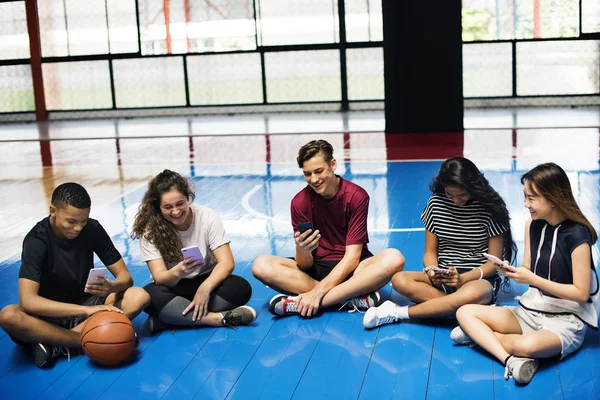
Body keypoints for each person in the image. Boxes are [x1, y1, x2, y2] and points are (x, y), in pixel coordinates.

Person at [452, 163, 598, 384]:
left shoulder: (578, 235)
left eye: (531, 198)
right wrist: (511, 271)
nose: (525, 204)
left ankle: (481, 337)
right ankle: (510, 359)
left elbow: (580, 293)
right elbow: (528, 270)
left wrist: (531, 279)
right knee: (464, 312)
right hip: (532, 310)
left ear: (553, 199)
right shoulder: (532, 225)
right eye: (525, 197)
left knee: (526, 345)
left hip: (567, 319)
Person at [0, 183, 150, 368]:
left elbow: (126, 278)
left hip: (88, 303)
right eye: (71, 221)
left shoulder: (93, 229)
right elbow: (28, 302)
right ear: (53, 210)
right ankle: (87, 340)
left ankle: (56, 345)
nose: (78, 228)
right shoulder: (36, 241)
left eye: (83, 221)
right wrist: (86, 312)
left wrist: (112, 287)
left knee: (139, 296)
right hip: (50, 314)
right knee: (9, 316)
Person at [252, 139, 405, 317]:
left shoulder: (356, 196)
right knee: (260, 265)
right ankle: (349, 298)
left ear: (333, 164)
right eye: (307, 174)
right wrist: (302, 249)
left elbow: (352, 257)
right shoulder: (299, 202)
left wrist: (317, 293)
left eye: (319, 171)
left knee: (394, 258)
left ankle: (300, 302)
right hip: (316, 269)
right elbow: (304, 264)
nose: (314, 179)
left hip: (353, 270)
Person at [363, 157, 517, 328]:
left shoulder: (491, 209)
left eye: (462, 195)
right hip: (444, 276)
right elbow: (430, 253)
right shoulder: (435, 204)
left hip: (477, 279)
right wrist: (432, 271)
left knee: (471, 294)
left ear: (474, 186)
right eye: (450, 194)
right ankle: (469, 314)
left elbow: (493, 264)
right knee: (399, 280)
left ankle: (397, 312)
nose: (456, 201)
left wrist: (463, 278)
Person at [131, 169, 255, 333]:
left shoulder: (206, 216)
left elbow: (226, 262)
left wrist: (205, 288)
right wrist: (178, 272)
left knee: (241, 287)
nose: (176, 212)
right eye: (168, 207)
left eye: (180, 203)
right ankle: (217, 319)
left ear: (188, 198)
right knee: (149, 296)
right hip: (173, 286)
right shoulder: (150, 231)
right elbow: (160, 277)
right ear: (158, 207)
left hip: (207, 281)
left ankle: (172, 317)